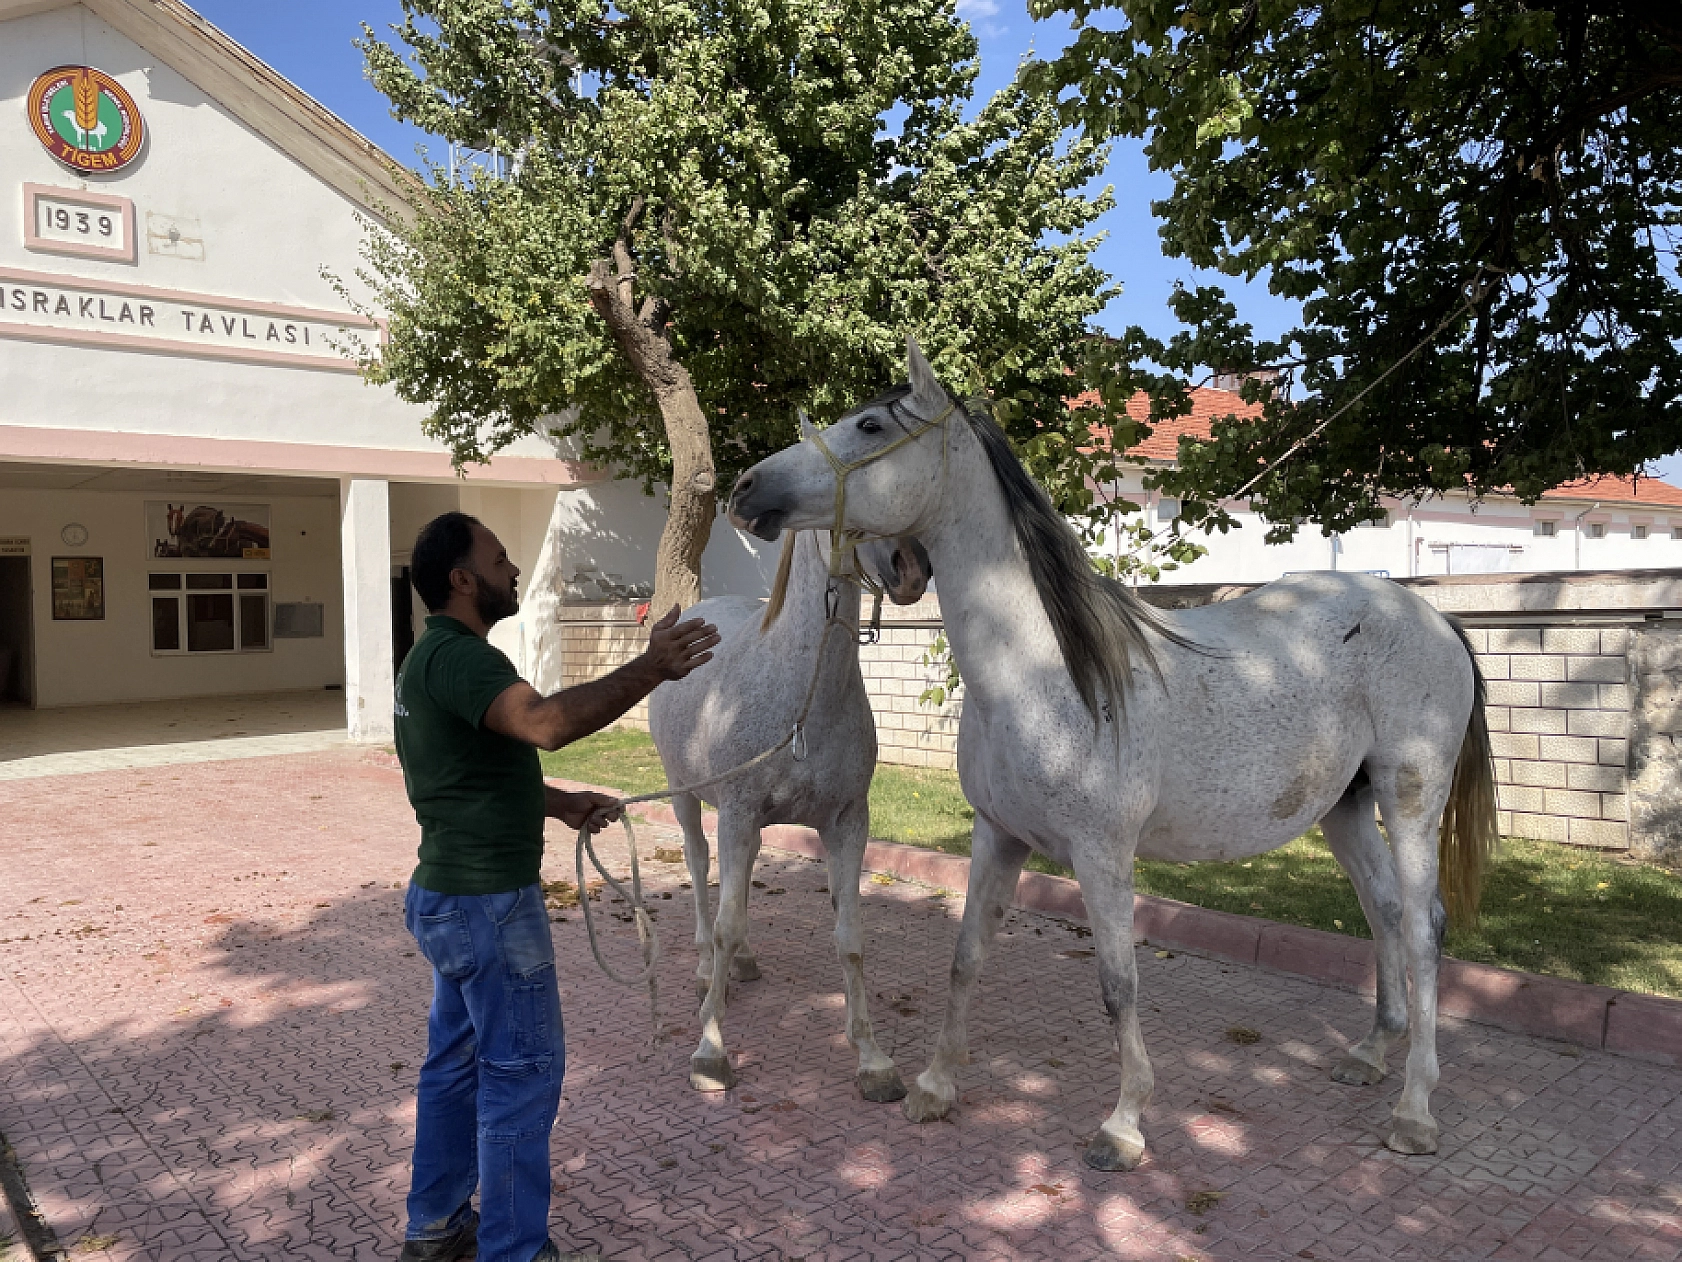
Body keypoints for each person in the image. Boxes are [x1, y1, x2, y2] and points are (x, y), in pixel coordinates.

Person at [395, 511, 719, 1262]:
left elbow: (461, 769)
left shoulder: (428, 661)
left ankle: (436, 1225)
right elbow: (541, 725)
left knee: (455, 1066)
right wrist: (653, 668)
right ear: (462, 579)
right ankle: (514, 1249)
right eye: (501, 560)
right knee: (521, 1076)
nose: (514, 571)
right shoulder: (467, 660)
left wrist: (559, 803)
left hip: (446, 900)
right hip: (487, 908)